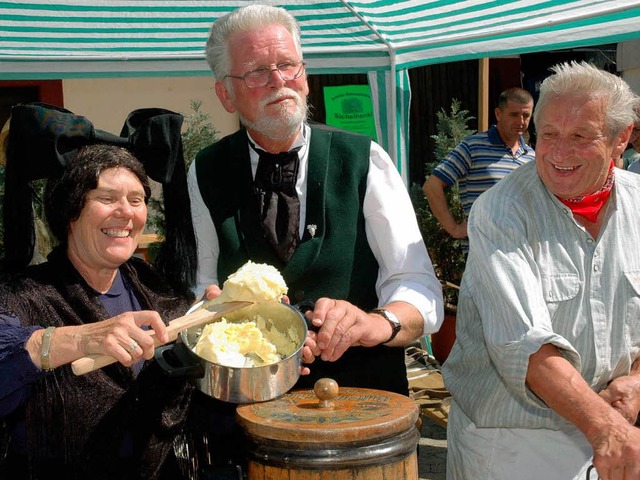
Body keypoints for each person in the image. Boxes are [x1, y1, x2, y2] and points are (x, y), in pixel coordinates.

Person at [188, 3, 444, 395]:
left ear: (305, 76)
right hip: (250, 413)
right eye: (257, 71)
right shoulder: (205, 170)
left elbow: (416, 284)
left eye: (288, 64)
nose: (279, 81)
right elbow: (203, 285)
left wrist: (377, 323)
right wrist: (218, 315)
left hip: (363, 407)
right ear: (225, 94)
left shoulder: (364, 159)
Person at [442, 61, 640, 480]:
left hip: (614, 431)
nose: (559, 153)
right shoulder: (502, 211)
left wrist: (636, 384)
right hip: (514, 444)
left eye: (581, 136)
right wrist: (607, 428)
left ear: (620, 138)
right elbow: (525, 345)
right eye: (548, 134)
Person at [0, 103, 200, 479]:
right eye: (106, 199)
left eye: (137, 199)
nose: (126, 213)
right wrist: (80, 339)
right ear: (69, 210)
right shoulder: (21, 295)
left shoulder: (162, 293)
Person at [422, 87, 535, 252]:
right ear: (498, 114)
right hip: (482, 252)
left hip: (520, 251)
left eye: (526, 115)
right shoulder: (473, 147)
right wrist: (453, 228)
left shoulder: (531, 157)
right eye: (514, 114)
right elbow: (432, 186)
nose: (521, 121)